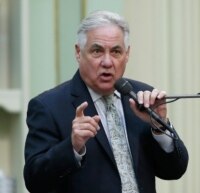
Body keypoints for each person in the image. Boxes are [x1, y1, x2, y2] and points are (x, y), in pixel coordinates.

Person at [23, 10, 189, 193]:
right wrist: (72, 147)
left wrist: (160, 128)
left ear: (127, 54)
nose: (107, 62)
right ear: (78, 52)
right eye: (97, 51)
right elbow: (35, 181)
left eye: (116, 51)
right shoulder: (49, 106)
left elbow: (174, 170)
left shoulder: (143, 97)